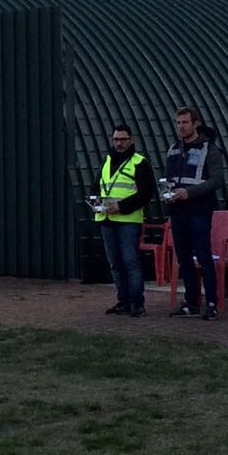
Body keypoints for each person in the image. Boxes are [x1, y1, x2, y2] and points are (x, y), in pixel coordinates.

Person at [164, 107, 225, 320]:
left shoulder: (210, 149)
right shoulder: (173, 149)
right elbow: (169, 179)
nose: (181, 127)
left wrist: (189, 193)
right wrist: (168, 193)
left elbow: (217, 180)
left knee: (203, 256)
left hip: (199, 210)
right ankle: (191, 303)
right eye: (178, 123)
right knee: (183, 257)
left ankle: (212, 303)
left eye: (185, 122)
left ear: (195, 123)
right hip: (178, 210)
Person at [96, 124, 157, 317]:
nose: (119, 143)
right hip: (107, 218)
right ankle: (123, 301)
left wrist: (121, 206)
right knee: (115, 263)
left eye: (123, 139)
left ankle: (137, 303)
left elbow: (146, 193)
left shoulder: (140, 163)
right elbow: (97, 185)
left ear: (131, 140)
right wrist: (96, 201)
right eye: (116, 139)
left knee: (130, 262)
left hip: (128, 220)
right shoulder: (107, 161)